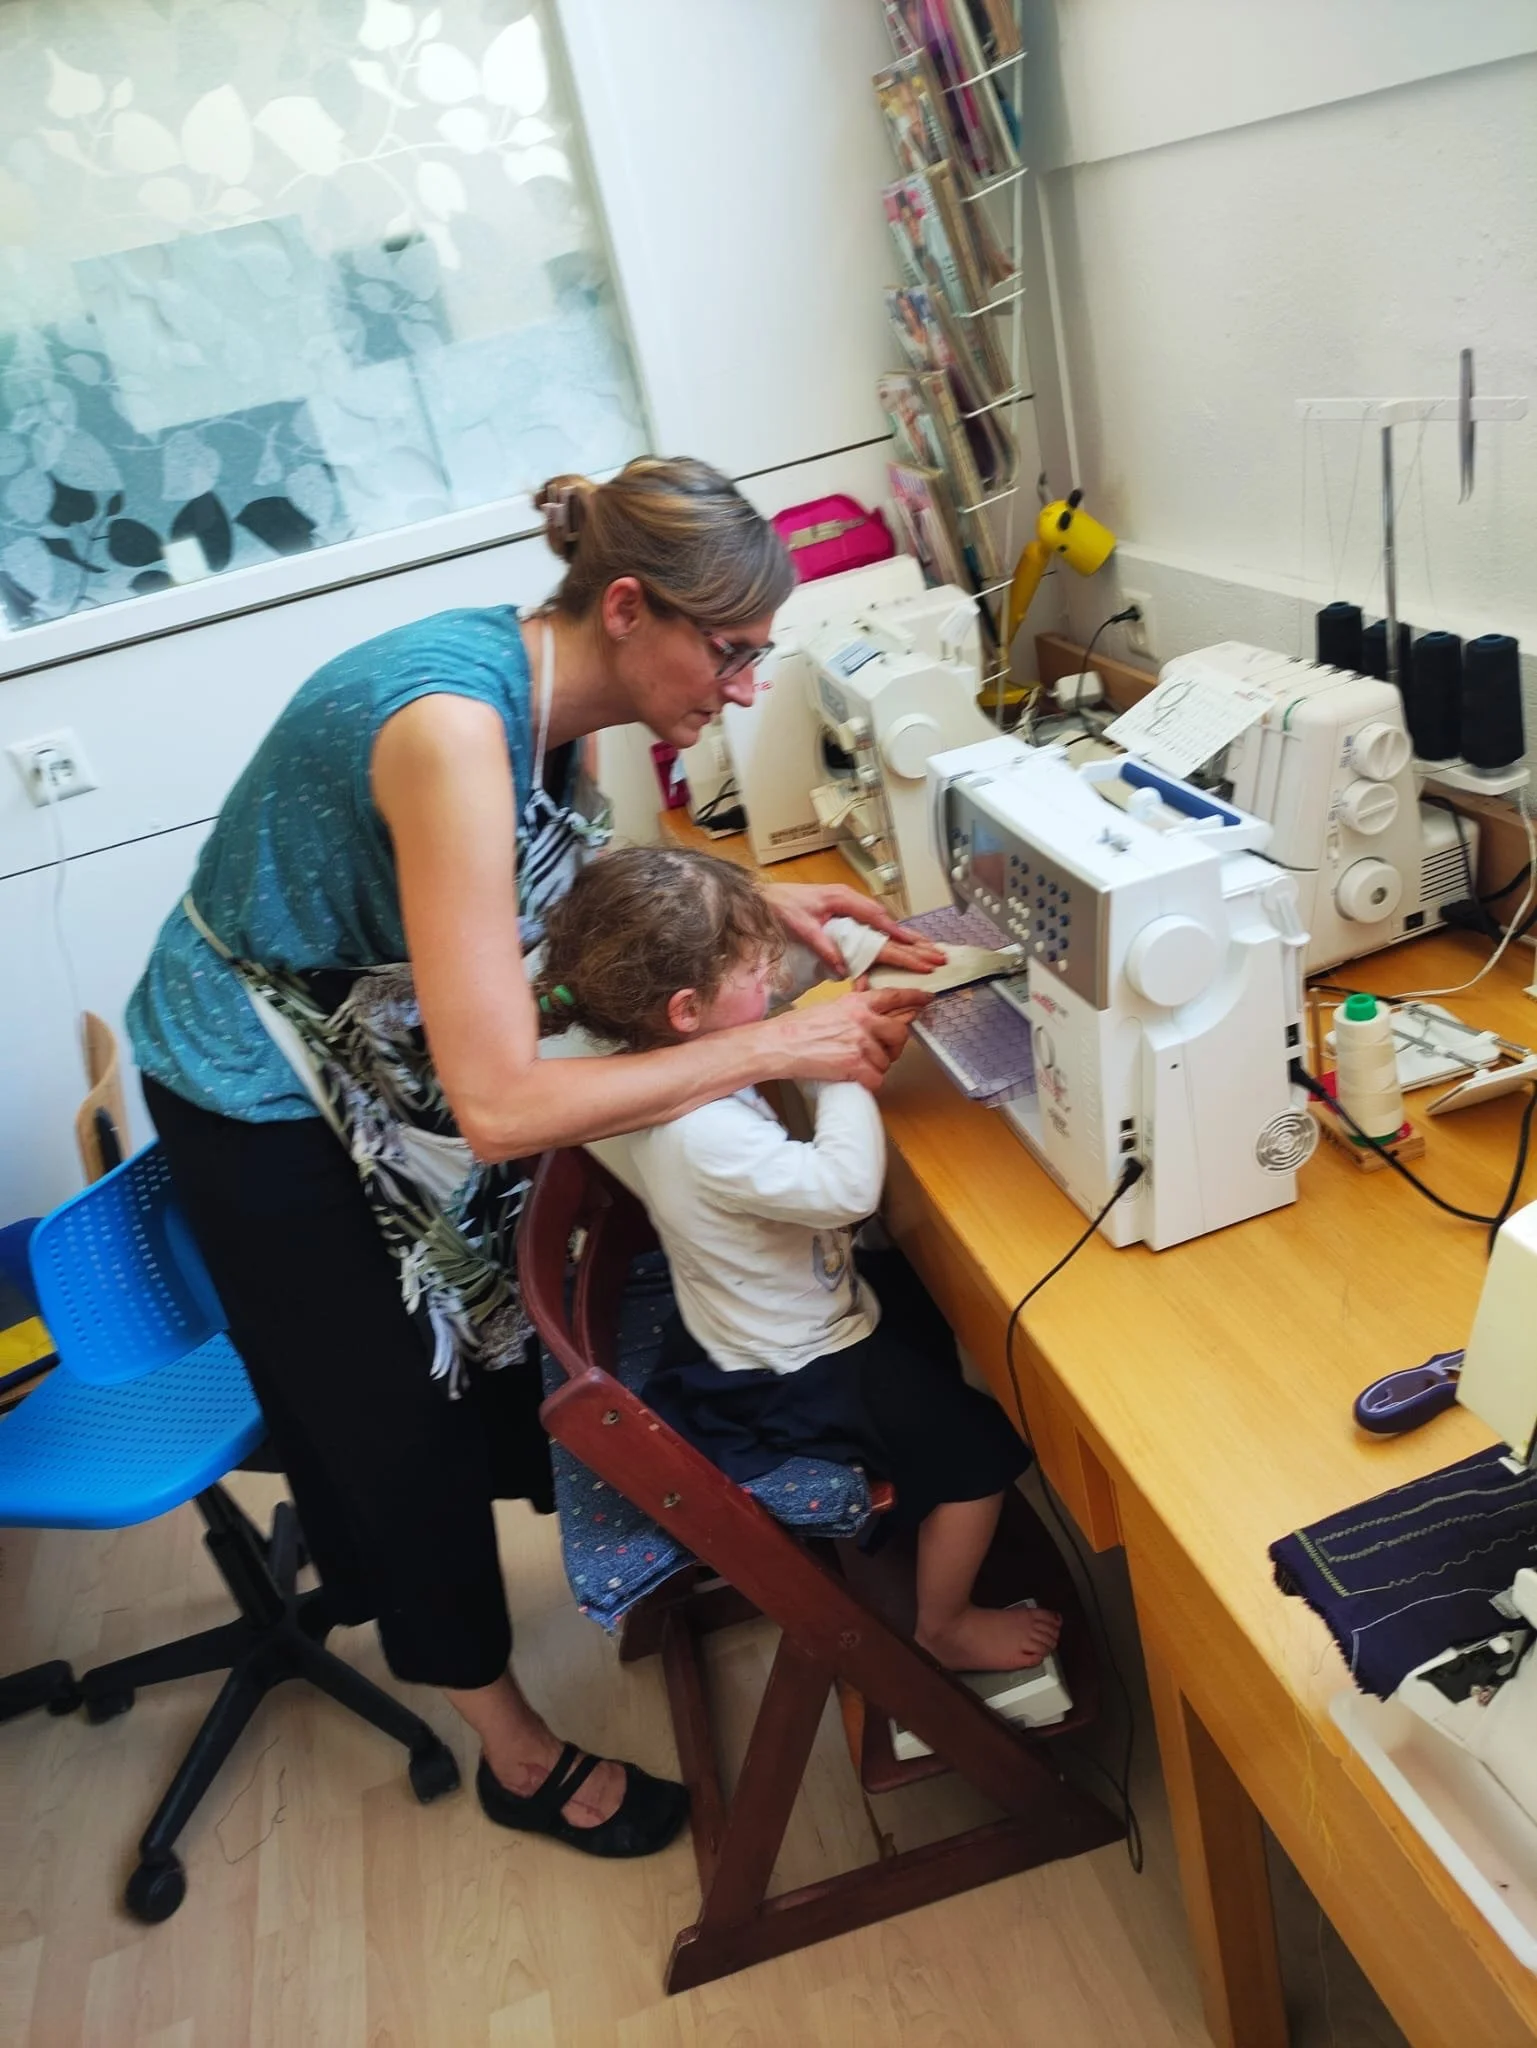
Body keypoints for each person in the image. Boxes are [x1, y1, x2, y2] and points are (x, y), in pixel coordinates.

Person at [127, 457, 941, 1859]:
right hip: (254, 1085)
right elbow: (499, 1106)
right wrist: (776, 1047)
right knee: (396, 1425)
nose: (745, 688)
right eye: (731, 652)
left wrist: (752, 907)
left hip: (367, 1036)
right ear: (628, 606)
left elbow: (567, 902)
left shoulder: (546, 694)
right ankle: (512, 1752)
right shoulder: (450, 725)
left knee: (470, 1364)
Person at [537, 847, 1062, 1676]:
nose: (770, 979)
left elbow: (762, 1004)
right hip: (786, 1367)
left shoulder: (643, 1060)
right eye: (755, 967)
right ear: (686, 1010)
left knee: (922, 1303)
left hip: (752, 1321)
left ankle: (913, 1505)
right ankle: (944, 1625)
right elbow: (844, 1188)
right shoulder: (697, 1130)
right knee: (981, 1447)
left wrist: (846, 964)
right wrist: (838, 1066)